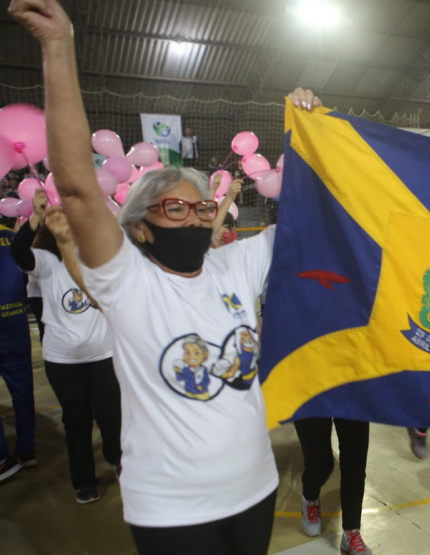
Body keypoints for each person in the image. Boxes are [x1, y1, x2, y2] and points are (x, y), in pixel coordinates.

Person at [10, 1, 294, 552]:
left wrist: (311, 130)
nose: (195, 217)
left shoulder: (236, 264)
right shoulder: (128, 283)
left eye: (202, 208)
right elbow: (75, 188)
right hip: (171, 510)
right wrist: (59, 47)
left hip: (255, 490)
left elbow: (315, 215)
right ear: (140, 228)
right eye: (175, 209)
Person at [10, 201, 121, 504]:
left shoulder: (98, 259)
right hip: (63, 360)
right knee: (76, 420)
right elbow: (18, 252)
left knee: (112, 416)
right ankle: (84, 481)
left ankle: (118, 460)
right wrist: (34, 216)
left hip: (104, 354)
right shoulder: (46, 262)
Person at [294, 418, 372, 554]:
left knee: (355, 462)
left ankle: (351, 531)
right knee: (320, 463)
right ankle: (309, 497)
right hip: (309, 397)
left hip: (352, 397)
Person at [0, 205, 35, 482]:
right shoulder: (12, 238)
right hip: (15, 322)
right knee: (22, 390)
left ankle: (2, 458)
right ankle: (28, 449)